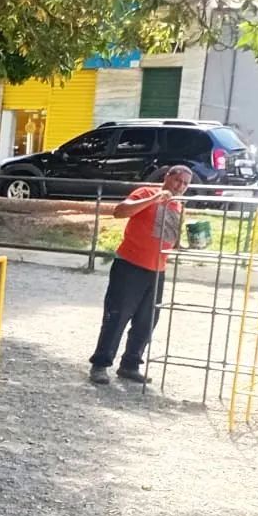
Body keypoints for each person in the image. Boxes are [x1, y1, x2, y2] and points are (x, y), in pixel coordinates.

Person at [89, 165, 192, 385]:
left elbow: (170, 237)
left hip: (157, 269)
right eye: (177, 180)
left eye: (185, 184)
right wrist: (154, 199)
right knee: (117, 316)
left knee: (147, 320)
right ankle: (100, 364)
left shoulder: (178, 205)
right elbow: (120, 211)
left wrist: (186, 244)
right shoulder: (146, 192)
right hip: (130, 264)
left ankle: (130, 364)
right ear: (167, 177)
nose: (180, 186)